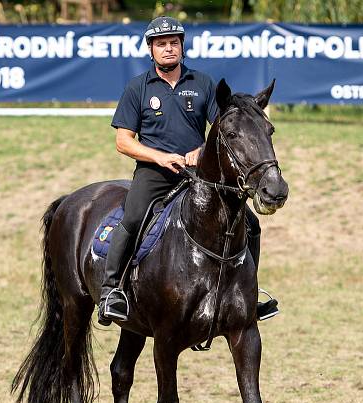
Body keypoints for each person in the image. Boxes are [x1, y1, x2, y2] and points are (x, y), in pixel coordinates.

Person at [98, 16, 278, 325]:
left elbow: (221, 128)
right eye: (161, 44)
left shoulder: (203, 83)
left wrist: (200, 151)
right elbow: (123, 142)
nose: (168, 49)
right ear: (151, 50)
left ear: (182, 47)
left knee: (251, 223)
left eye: (173, 43)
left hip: (197, 175)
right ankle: (111, 291)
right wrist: (159, 157)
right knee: (132, 217)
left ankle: (250, 295)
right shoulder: (137, 88)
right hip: (154, 173)